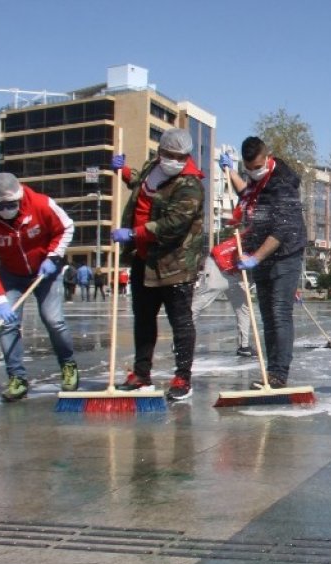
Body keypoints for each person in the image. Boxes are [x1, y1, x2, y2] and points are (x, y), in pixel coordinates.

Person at [110, 128, 206, 402]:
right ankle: (142, 374)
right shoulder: (153, 166)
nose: (174, 161)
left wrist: (133, 233)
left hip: (175, 263)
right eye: (169, 155)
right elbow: (139, 184)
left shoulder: (190, 185)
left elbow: (174, 224)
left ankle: (183, 378)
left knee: (181, 322)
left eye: (180, 157)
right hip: (144, 259)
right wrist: (124, 171)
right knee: (143, 319)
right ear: (160, 151)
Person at [0, 173, 79, 401]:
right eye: (1, 205)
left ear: (20, 197)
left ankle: (68, 365)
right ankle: (17, 378)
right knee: (8, 325)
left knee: (54, 321)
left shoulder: (41, 204)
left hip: (45, 272)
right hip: (11, 275)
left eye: (11, 204)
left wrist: (53, 256)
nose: (6, 209)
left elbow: (66, 227)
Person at [232, 136, 307, 390]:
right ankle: (272, 370)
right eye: (248, 168)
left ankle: (278, 373)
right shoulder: (257, 182)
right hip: (261, 254)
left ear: (268, 157)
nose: (253, 172)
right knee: (266, 315)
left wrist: (255, 257)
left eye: (257, 167)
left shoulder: (282, 184)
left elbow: (281, 230)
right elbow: (245, 194)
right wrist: (230, 171)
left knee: (279, 312)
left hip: (285, 254)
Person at [191, 150, 259, 359]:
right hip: (220, 264)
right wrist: (228, 172)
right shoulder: (254, 211)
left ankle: (244, 345)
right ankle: (181, 342)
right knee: (198, 304)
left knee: (244, 308)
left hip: (238, 273)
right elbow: (241, 205)